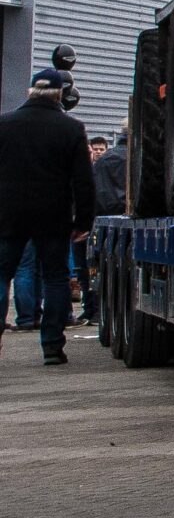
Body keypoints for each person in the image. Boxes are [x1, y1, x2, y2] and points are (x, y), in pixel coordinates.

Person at [0, 68, 98, 366]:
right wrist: (83, 222)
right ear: (60, 94)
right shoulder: (70, 128)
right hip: (53, 215)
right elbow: (83, 181)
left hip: (8, 214)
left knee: (2, 274)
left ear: (31, 91)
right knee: (56, 278)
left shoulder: (4, 125)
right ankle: (53, 346)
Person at [82, 133, 121, 325]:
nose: (97, 152)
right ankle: (93, 311)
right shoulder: (108, 162)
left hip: (100, 219)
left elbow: (95, 192)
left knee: (91, 268)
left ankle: (94, 311)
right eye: (94, 149)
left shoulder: (102, 164)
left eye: (100, 149)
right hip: (110, 218)